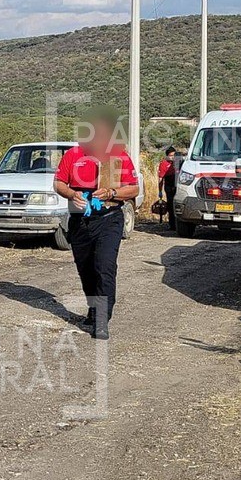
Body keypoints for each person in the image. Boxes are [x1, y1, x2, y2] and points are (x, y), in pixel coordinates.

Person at [53, 108, 140, 340]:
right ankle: (93, 309)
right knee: (87, 270)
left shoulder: (119, 156)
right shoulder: (73, 155)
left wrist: (112, 191)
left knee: (104, 267)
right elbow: (58, 183)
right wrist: (72, 194)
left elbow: (134, 189)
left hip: (109, 219)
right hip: (80, 222)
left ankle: (102, 320)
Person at [157, 146, 179, 230]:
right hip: (169, 185)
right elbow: (160, 179)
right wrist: (160, 191)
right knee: (170, 204)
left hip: (177, 184)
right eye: (171, 155)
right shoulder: (163, 164)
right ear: (167, 156)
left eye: (174, 155)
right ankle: (172, 224)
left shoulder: (178, 162)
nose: (173, 157)